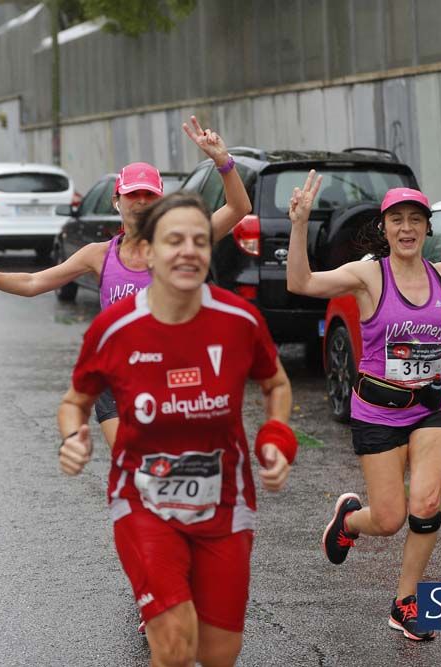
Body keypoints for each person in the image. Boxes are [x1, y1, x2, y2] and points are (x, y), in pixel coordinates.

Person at [285, 171, 441, 641]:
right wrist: (299, 226)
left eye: (416, 219)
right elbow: (301, 282)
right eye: (398, 219)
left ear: (426, 227)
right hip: (377, 410)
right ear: (385, 227)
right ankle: (350, 519)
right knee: (390, 518)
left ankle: (405, 601)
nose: (407, 227)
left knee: (428, 504)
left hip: (431, 407)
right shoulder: (367, 274)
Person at [58, 192, 296, 667]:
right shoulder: (114, 329)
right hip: (143, 503)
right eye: (174, 240)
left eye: (199, 241)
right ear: (147, 252)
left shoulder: (239, 321)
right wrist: (73, 437)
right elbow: (75, 401)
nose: (189, 250)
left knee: (219, 655)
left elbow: (277, 384)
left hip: (226, 506)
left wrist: (275, 438)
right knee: (173, 641)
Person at [0, 117, 250, 449]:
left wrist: (222, 162)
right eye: (132, 194)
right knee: (134, 465)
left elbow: (239, 207)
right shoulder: (97, 255)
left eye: (148, 194)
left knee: (173, 470)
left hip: (173, 376)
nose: (140, 201)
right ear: (117, 200)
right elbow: (32, 282)